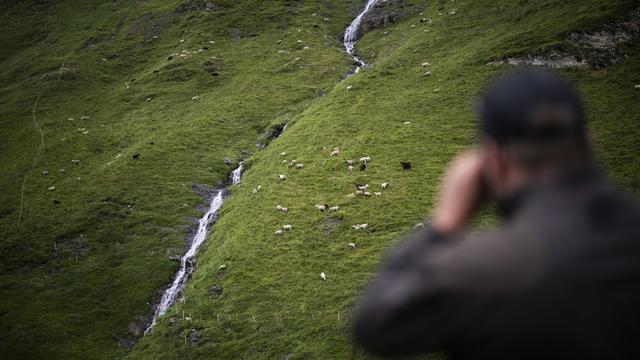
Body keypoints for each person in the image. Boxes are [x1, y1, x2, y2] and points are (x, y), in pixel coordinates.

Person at [352, 70, 640, 360]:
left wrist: (445, 224)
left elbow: (377, 325)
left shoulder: (488, 266)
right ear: (589, 144)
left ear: (495, 160)